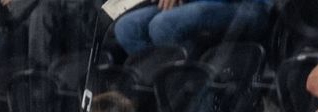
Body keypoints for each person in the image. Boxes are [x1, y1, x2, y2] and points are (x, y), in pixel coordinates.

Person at [113, 0, 272, 58]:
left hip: (248, 7)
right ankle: (158, 83)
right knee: (126, 28)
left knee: (163, 25)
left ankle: (189, 85)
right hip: (197, 3)